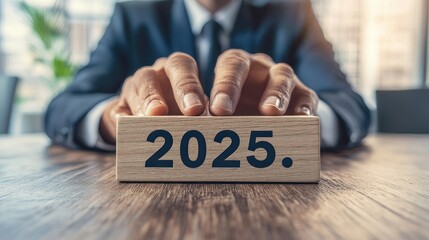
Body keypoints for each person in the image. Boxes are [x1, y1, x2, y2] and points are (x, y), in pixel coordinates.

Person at [45, 0, 370, 151]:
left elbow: (349, 107)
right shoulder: (133, 17)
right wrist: (114, 118)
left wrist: (303, 114)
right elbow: (64, 106)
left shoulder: (294, 15)